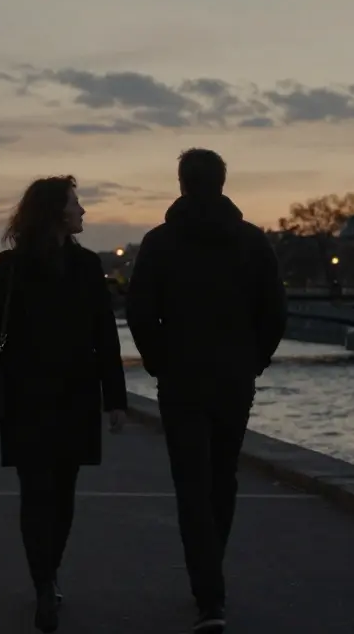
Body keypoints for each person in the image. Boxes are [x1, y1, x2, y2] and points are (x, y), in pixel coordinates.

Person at [125, 149, 286, 634]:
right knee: (223, 478)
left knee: (191, 484)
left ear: (181, 183)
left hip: (182, 380)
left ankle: (208, 594)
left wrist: (160, 363)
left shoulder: (158, 243)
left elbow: (138, 313)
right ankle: (212, 574)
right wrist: (253, 360)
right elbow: (274, 313)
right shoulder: (253, 242)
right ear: (222, 182)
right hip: (235, 379)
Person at [0, 175, 128, 633]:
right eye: (76, 204)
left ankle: (43, 579)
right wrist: (113, 399)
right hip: (72, 395)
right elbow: (104, 337)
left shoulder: (12, 266)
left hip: (26, 396)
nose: (83, 212)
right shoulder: (84, 266)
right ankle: (48, 576)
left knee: (36, 493)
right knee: (61, 494)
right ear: (58, 212)